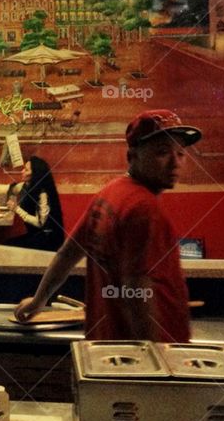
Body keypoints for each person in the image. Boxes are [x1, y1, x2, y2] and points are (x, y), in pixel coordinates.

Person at [14, 110, 202, 343]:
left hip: (105, 343)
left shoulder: (110, 192)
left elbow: (68, 253)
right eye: (162, 152)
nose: (175, 162)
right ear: (132, 155)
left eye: (181, 153)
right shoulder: (145, 210)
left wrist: (38, 300)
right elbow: (137, 292)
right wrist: (152, 360)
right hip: (144, 356)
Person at [0, 155, 64, 251]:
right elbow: (3, 189)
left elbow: (40, 223)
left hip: (48, 239)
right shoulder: (25, 186)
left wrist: (16, 209)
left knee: (5, 248)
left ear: (35, 174)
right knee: (5, 246)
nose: (22, 171)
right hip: (35, 236)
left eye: (26, 170)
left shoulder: (43, 194)